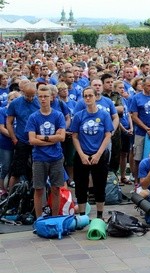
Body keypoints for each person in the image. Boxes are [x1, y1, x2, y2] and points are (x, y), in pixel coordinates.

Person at [70, 87, 114, 219]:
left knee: (100, 185)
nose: (88, 98)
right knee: (80, 185)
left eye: (90, 95)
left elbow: (107, 135)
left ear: (96, 97)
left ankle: (99, 215)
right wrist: (82, 155)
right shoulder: (79, 116)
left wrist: (98, 154)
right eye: (85, 96)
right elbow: (74, 136)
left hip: (99, 154)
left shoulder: (104, 115)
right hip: (82, 154)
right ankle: (83, 215)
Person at [25, 85, 66, 217]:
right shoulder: (33, 117)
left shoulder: (58, 115)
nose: (43, 99)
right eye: (40, 97)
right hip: (39, 158)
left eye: (46, 96)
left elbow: (62, 137)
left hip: (56, 157)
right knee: (38, 190)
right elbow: (32, 140)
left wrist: (42, 137)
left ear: (51, 98)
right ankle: (39, 219)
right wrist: (53, 139)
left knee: (56, 189)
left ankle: (54, 218)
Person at [7, 82, 40, 190]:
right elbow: (9, 122)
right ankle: (10, 194)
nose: (30, 98)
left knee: (38, 168)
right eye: (27, 96)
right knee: (16, 170)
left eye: (32, 96)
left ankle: (35, 192)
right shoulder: (15, 103)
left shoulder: (40, 101)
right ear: (22, 92)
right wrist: (14, 138)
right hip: (22, 140)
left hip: (37, 140)